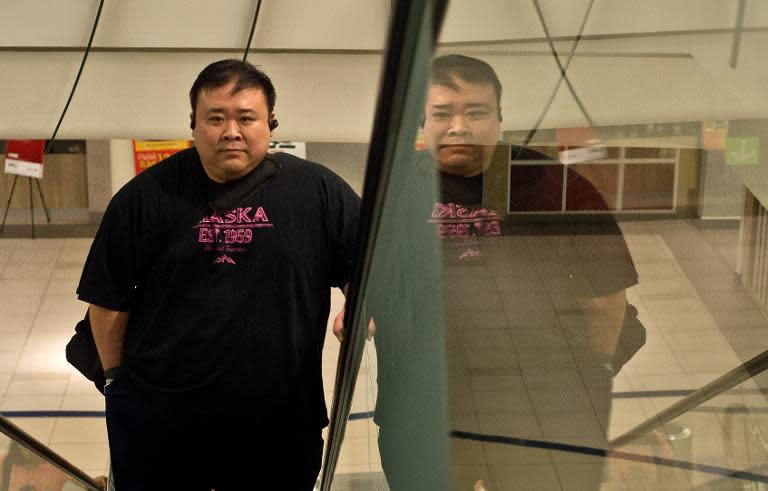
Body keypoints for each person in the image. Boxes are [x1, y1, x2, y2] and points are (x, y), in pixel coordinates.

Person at [360, 54, 642, 490]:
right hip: (425, 412)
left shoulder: (552, 184)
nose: (459, 127)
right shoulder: (393, 193)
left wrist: (588, 375)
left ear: (499, 119)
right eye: (442, 114)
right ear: (422, 121)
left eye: (476, 112)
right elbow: (373, 284)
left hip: (536, 415)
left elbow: (606, 298)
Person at [77, 59, 360, 490]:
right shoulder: (145, 196)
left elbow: (360, 268)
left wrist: (358, 304)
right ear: (193, 124)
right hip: (161, 423)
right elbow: (108, 296)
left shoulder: (318, 192)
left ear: (271, 124)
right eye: (216, 118)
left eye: (246, 118)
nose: (231, 131)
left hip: (278, 421)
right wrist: (118, 386)